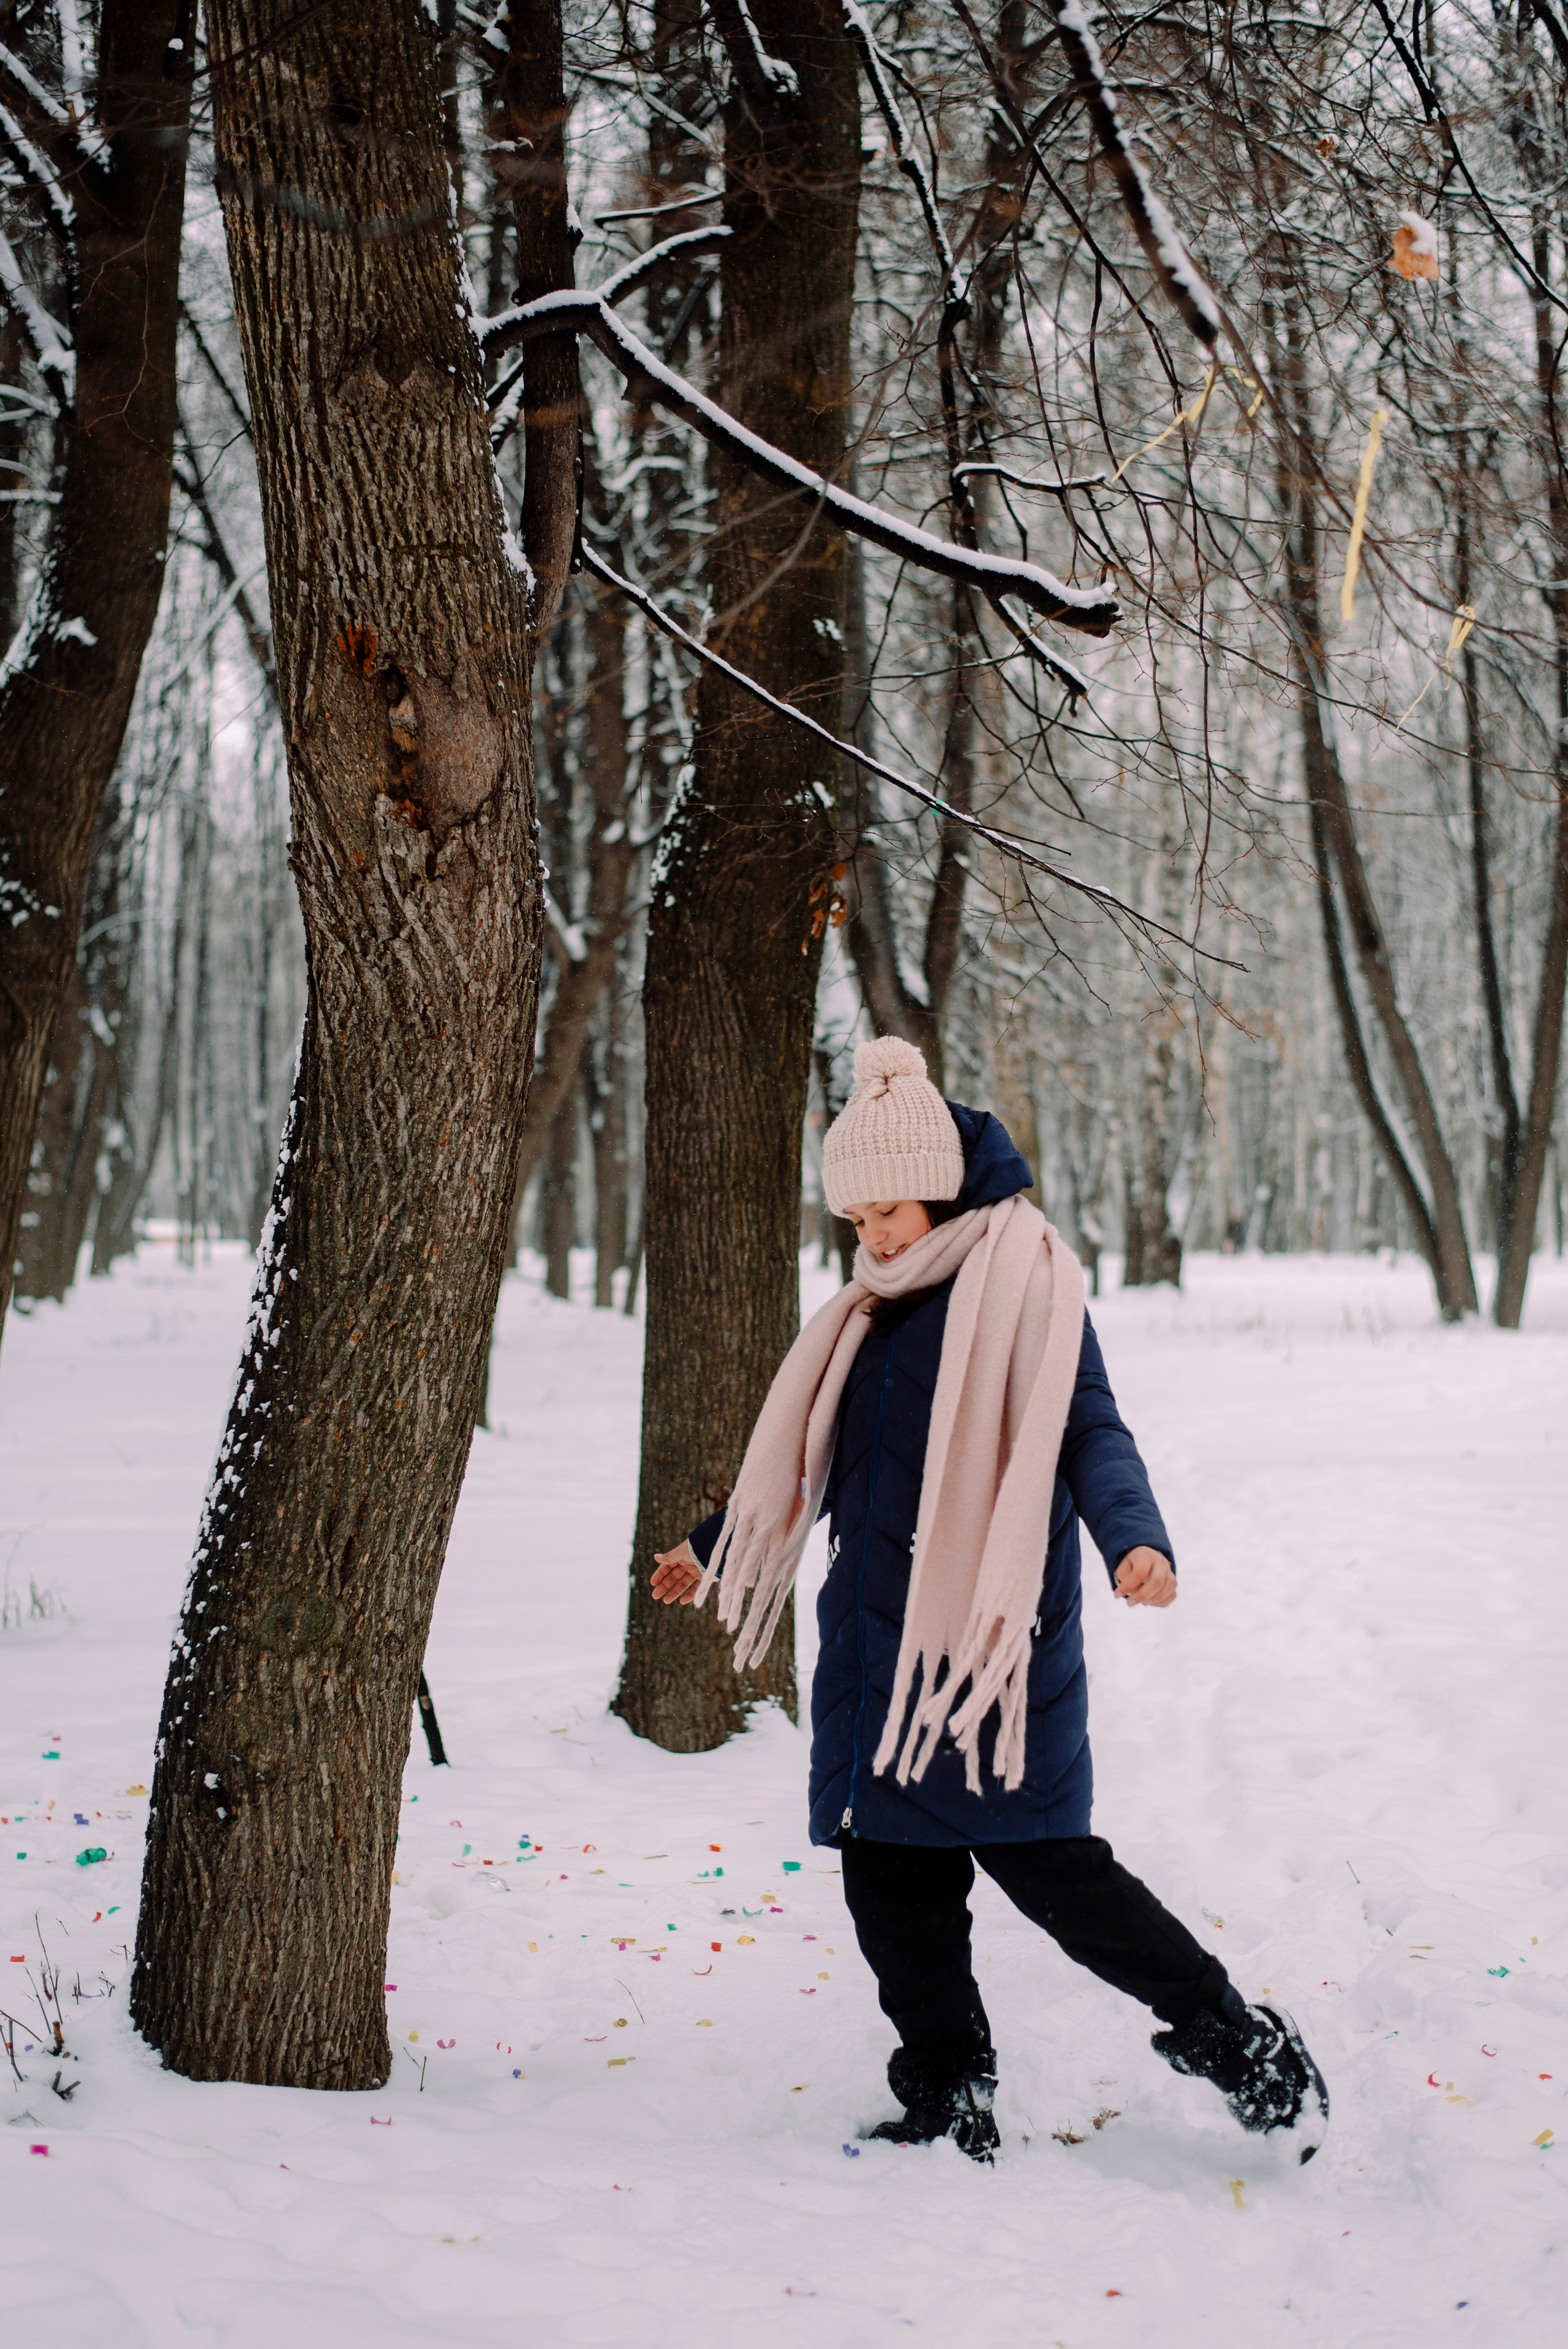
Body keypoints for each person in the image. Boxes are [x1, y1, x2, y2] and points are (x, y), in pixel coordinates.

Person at [650, 1037, 1327, 2166]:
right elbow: (826, 1466)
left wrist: (1134, 1539)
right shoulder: (868, 1310)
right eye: (855, 1217)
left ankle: (1240, 2040)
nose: (872, 1236)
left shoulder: (1030, 1285)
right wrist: (718, 1546)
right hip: (879, 1656)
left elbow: (1090, 1430)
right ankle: (947, 2092)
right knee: (891, 1895)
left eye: (890, 1209)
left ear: (944, 1184)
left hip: (984, 1657)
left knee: (1063, 1881)